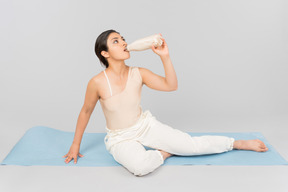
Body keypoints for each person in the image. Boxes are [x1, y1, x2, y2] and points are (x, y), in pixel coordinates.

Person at [63, 29, 269, 176]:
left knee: (191, 146)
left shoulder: (139, 73)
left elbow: (171, 86)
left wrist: (165, 57)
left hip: (145, 127)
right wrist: (75, 145)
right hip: (119, 138)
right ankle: (165, 152)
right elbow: (86, 111)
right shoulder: (97, 82)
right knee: (140, 168)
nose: (124, 43)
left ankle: (235, 144)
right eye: (116, 41)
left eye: (123, 39)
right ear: (105, 53)